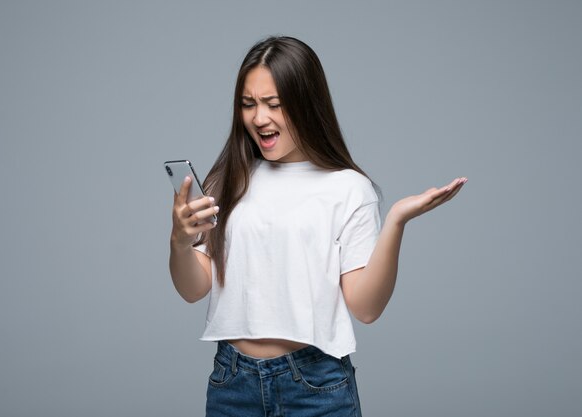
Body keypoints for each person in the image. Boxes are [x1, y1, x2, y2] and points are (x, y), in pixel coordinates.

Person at [169, 36, 466, 417]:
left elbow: (366, 307)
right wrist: (179, 240)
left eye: (274, 104)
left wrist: (396, 221)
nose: (259, 118)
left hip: (315, 385)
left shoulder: (348, 188)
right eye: (249, 104)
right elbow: (193, 289)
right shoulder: (225, 180)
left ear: (307, 104)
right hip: (232, 382)